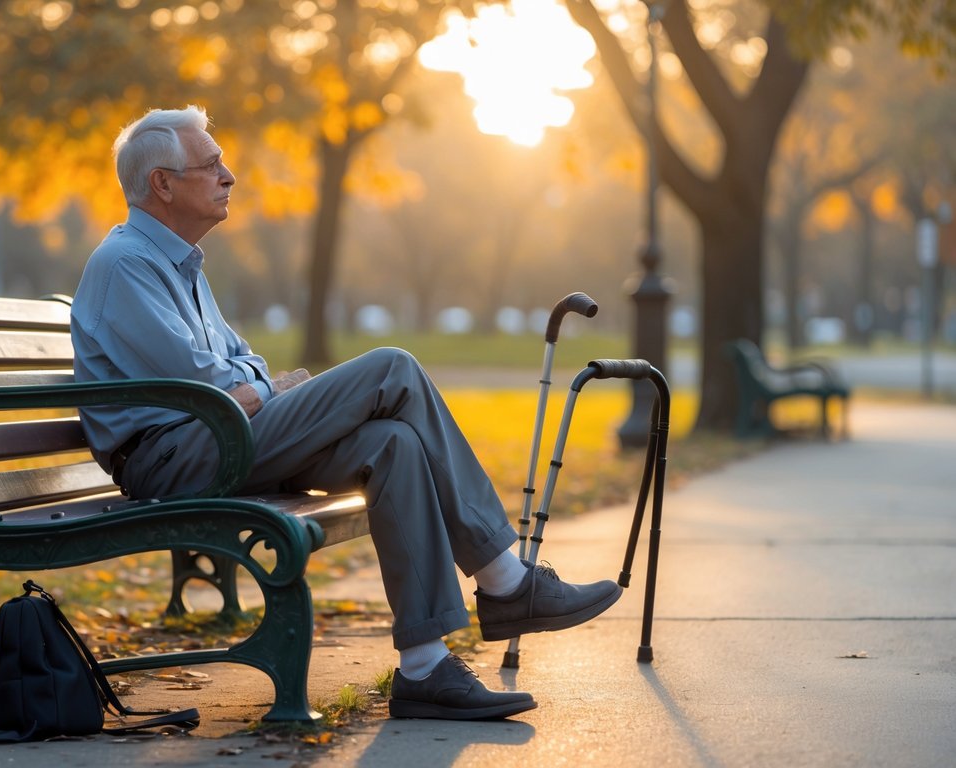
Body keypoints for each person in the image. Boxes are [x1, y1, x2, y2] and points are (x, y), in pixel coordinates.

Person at [70, 105, 622, 721]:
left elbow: (242, 365)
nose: (229, 176)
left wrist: (259, 385)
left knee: (392, 444)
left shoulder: (179, 264)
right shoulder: (127, 265)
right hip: (176, 456)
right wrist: (264, 386)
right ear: (162, 184)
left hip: (214, 440)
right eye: (212, 165)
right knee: (392, 368)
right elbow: (214, 384)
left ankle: (424, 667)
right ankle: (505, 581)